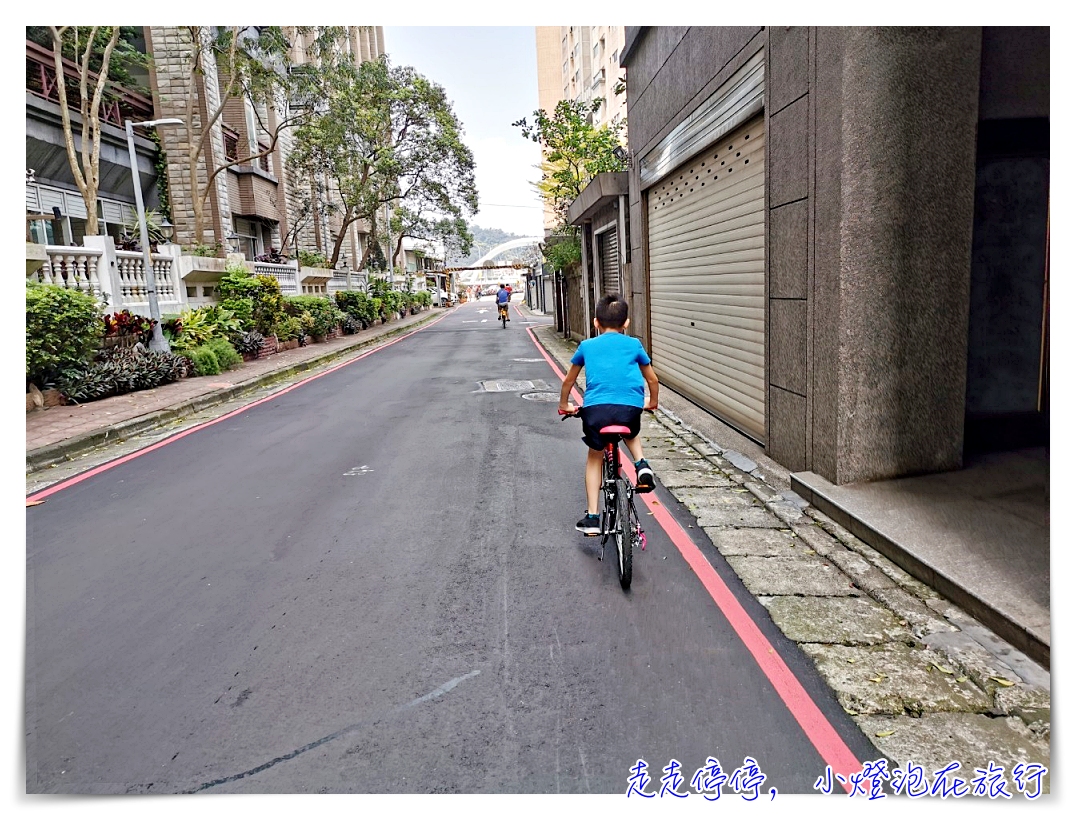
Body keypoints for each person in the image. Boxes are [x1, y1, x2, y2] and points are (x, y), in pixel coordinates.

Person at [559, 294, 659, 535]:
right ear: (626, 323)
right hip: (629, 409)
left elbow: (568, 381)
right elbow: (652, 379)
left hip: (595, 411)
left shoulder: (586, 346)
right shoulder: (634, 345)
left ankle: (593, 517)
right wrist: (652, 402)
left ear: (596, 323)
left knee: (595, 456)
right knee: (630, 428)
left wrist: (565, 404)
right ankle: (641, 464)